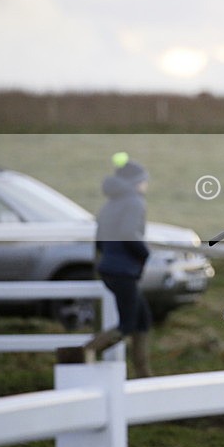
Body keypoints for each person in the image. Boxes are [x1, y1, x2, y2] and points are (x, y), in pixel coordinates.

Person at [94, 152, 153, 377]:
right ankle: (78, 356)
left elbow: (99, 240)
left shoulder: (111, 203)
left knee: (142, 319)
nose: (146, 185)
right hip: (123, 271)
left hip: (110, 268)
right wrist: (144, 253)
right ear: (136, 182)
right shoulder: (134, 202)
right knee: (127, 325)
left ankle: (144, 375)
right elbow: (130, 233)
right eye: (144, 180)